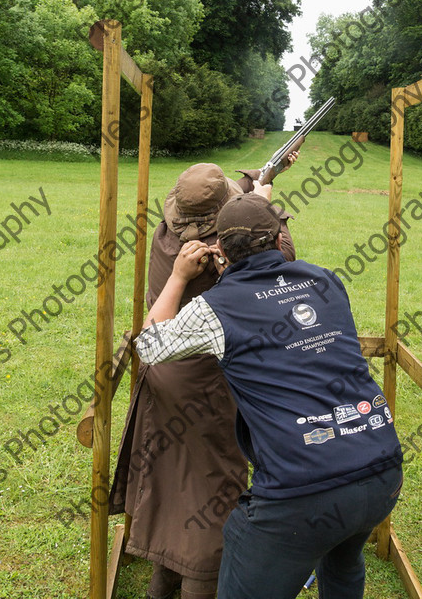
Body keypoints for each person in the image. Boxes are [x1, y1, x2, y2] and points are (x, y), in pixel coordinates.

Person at [135, 192, 404, 599]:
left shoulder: (216, 306)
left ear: (219, 251)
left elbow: (150, 346)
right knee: (343, 559)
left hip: (302, 493)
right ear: (281, 240)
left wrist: (178, 276)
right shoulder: (326, 280)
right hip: (381, 469)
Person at [109, 161, 297, 599]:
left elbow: (223, 212)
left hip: (162, 383)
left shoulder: (165, 238)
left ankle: (162, 583)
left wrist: (256, 183)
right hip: (209, 391)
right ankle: (200, 583)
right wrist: (265, 202)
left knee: (172, 485)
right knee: (215, 494)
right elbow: (275, 251)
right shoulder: (225, 256)